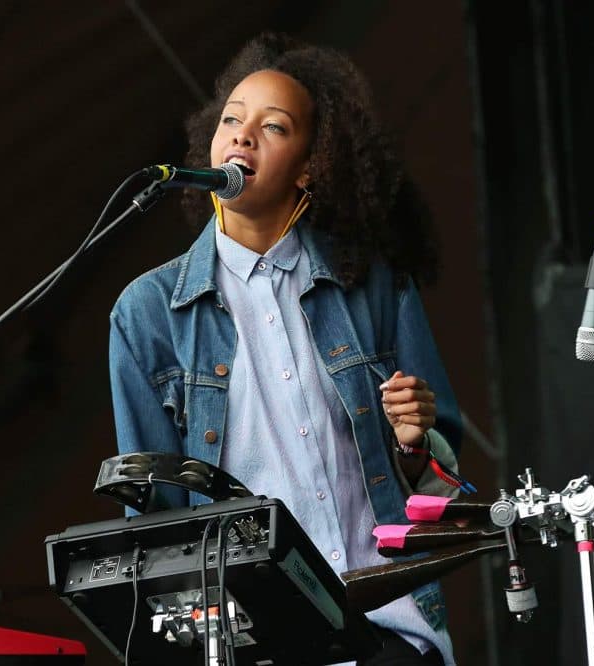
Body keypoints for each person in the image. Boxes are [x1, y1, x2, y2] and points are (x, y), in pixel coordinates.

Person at [109, 33, 463, 666]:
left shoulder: (376, 285)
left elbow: (445, 489)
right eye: (231, 120)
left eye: (273, 127)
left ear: (311, 165)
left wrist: (415, 446)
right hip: (249, 640)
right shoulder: (147, 314)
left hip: (386, 626)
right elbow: (154, 529)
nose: (242, 136)